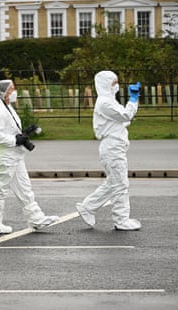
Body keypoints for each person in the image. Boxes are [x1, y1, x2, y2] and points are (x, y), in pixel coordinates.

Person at [0, 79, 59, 234]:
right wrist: (14, 140)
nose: (14, 92)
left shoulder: (6, 107)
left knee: (24, 188)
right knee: (0, 189)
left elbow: (8, 129)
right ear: (4, 92)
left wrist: (22, 135)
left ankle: (36, 218)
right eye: (12, 89)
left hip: (14, 154)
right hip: (4, 155)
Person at [76, 70, 142, 231]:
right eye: (114, 82)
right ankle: (121, 220)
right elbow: (126, 116)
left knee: (113, 182)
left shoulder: (109, 101)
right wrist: (133, 99)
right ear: (106, 84)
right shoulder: (105, 103)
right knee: (120, 184)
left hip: (115, 146)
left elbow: (123, 120)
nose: (116, 85)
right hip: (112, 147)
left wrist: (132, 103)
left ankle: (88, 207)